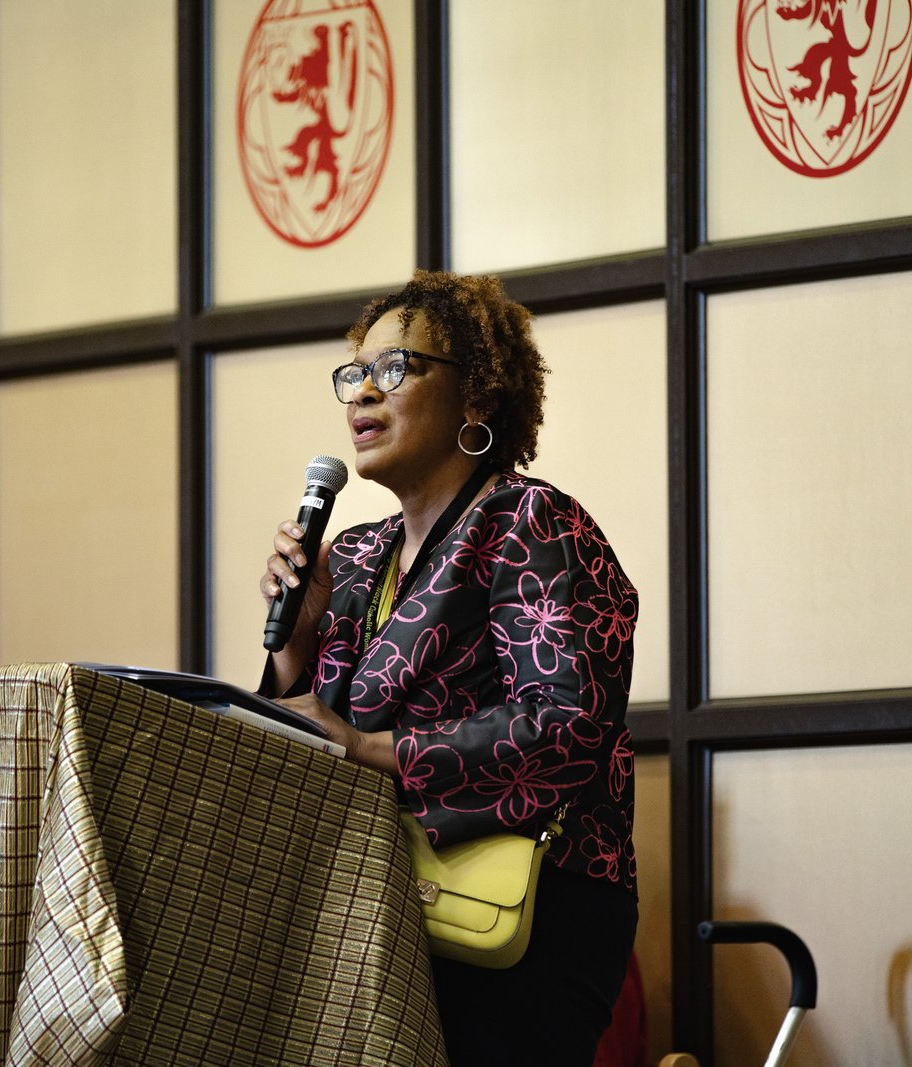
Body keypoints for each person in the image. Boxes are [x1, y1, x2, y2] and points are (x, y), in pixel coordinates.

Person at [259, 270, 639, 1067]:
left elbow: (565, 726)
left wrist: (373, 749)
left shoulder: (531, 522)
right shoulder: (355, 558)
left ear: (475, 398)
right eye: (353, 374)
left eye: (394, 369)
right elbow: (313, 736)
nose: (363, 392)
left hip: (529, 916)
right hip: (378, 910)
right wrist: (295, 636)